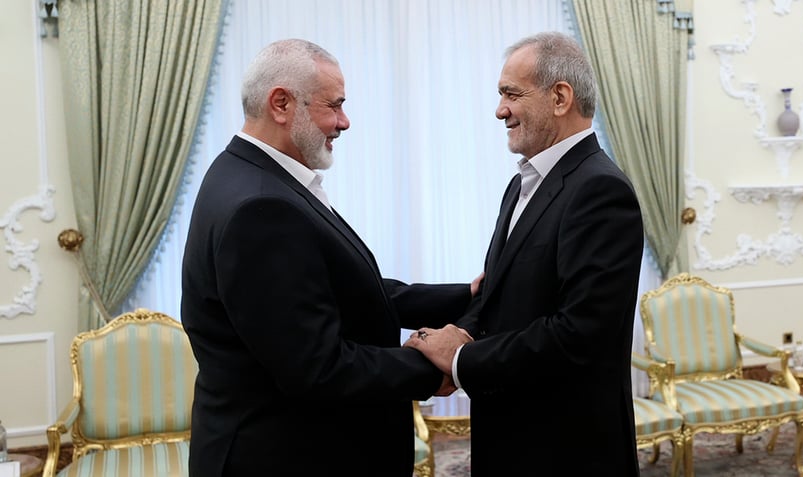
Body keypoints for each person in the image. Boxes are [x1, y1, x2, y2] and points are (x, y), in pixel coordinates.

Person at [181, 39, 479, 476]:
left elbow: (342, 292)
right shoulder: (261, 207)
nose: (344, 121)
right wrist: (435, 365)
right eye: (334, 105)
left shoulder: (248, 173)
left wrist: (464, 295)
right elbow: (317, 368)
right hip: (287, 454)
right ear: (281, 103)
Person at [404, 31, 644, 476]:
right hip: (510, 432)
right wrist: (457, 335)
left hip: (567, 448)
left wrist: (460, 360)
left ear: (559, 97)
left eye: (511, 94)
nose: (500, 110)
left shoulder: (601, 189)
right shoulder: (521, 184)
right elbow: (496, 293)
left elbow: (579, 334)